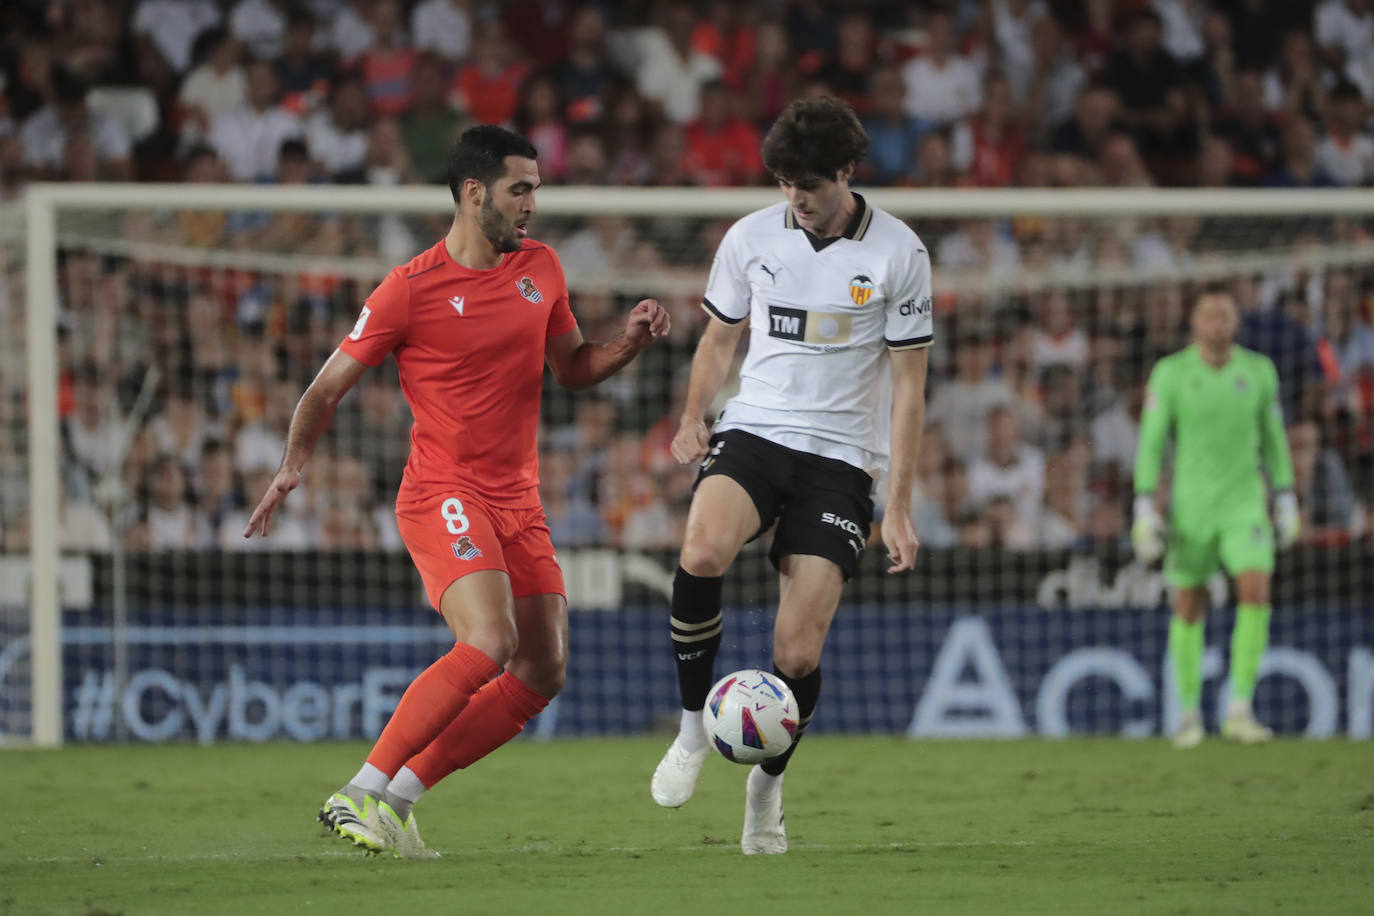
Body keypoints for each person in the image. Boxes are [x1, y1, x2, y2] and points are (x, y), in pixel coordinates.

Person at [243, 126, 669, 857]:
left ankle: (399, 800)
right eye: (520, 189)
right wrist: (292, 464)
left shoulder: (542, 267)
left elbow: (570, 367)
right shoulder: (409, 289)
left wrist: (627, 342)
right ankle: (360, 789)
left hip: (519, 498)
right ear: (475, 194)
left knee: (544, 667)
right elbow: (326, 387)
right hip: (443, 489)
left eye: (535, 186)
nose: (533, 202)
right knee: (491, 640)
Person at [649, 96, 931, 855]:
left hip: (840, 459)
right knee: (701, 551)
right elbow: (718, 339)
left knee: (797, 653)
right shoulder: (750, 237)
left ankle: (766, 788)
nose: (795, 198)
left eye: (807, 183)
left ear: (845, 171)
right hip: (756, 430)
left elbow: (909, 386)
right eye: (783, 183)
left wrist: (896, 505)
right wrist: (690, 414)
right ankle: (689, 731)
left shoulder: (899, 254)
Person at [1131, 288, 1300, 750]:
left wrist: (1285, 495)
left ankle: (1239, 709)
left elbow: (1274, 438)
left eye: (1225, 314)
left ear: (1236, 323)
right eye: (1209, 314)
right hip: (1192, 507)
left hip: (1244, 502)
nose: (1217, 321)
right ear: (1195, 323)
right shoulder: (1171, 373)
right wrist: (1144, 504)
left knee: (1256, 589)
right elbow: (1151, 441)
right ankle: (1187, 713)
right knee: (1188, 603)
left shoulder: (1258, 372)